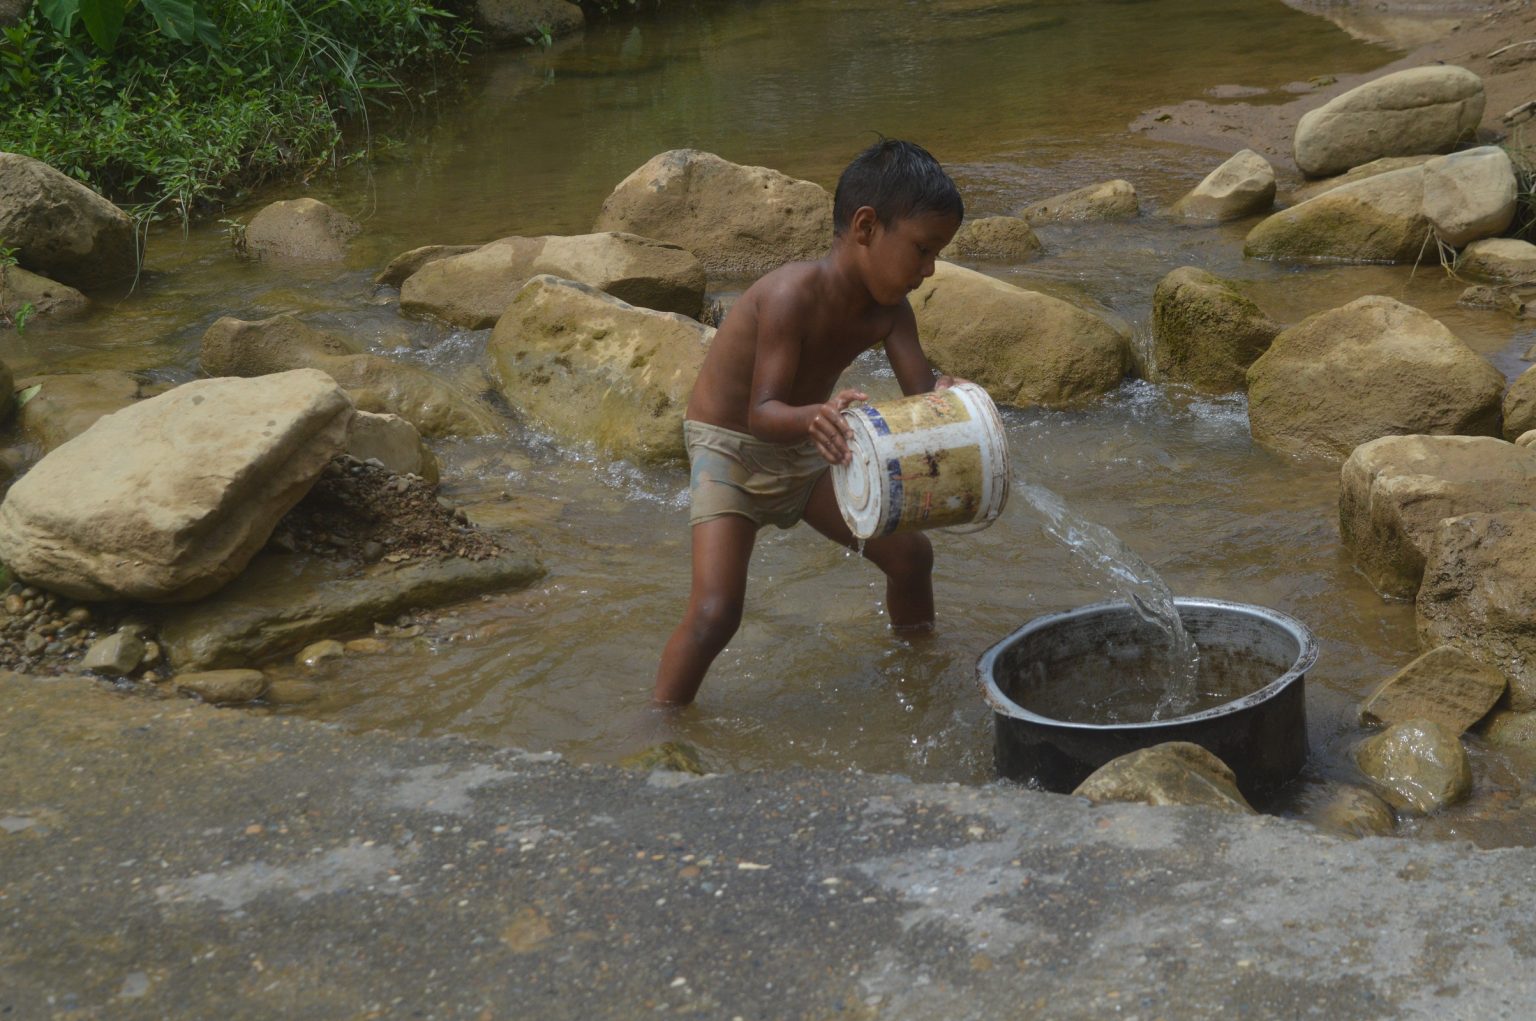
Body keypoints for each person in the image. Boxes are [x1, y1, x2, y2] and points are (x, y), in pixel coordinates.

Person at [652, 138, 965, 706]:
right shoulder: (792, 295)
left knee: (912, 557)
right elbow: (762, 411)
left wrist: (948, 395)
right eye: (922, 249)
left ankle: (918, 672)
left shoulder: (890, 312)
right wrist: (817, 417)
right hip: (730, 451)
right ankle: (659, 725)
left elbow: (922, 394)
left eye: (936, 252)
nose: (930, 268)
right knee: (717, 611)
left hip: (807, 442)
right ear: (866, 226)